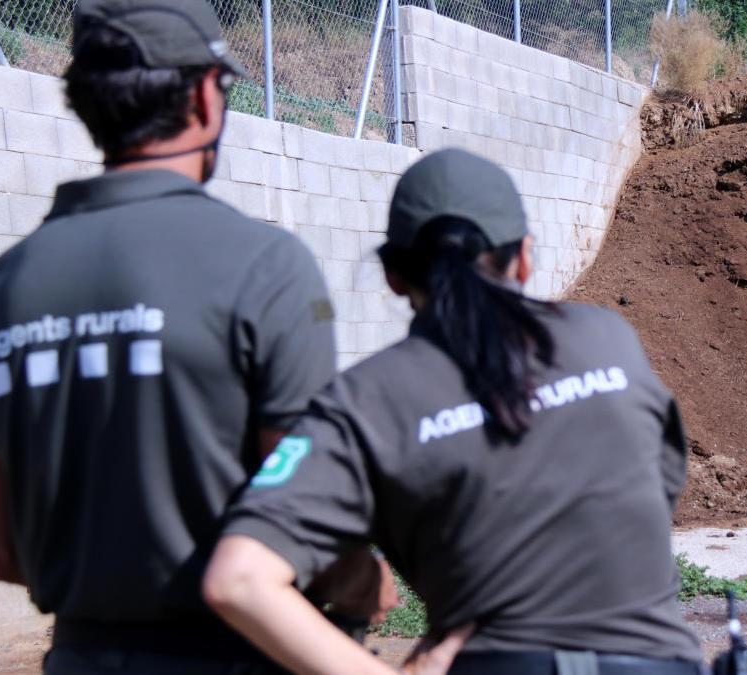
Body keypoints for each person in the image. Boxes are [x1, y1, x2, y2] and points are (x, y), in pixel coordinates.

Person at [0, 0, 401, 671]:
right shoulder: (264, 267)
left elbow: (5, 553)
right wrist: (364, 581)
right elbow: (310, 521)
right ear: (202, 97)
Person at [203, 149, 705, 675]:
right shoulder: (609, 341)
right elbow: (658, 486)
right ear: (525, 257)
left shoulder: (364, 400)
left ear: (394, 276)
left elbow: (239, 579)